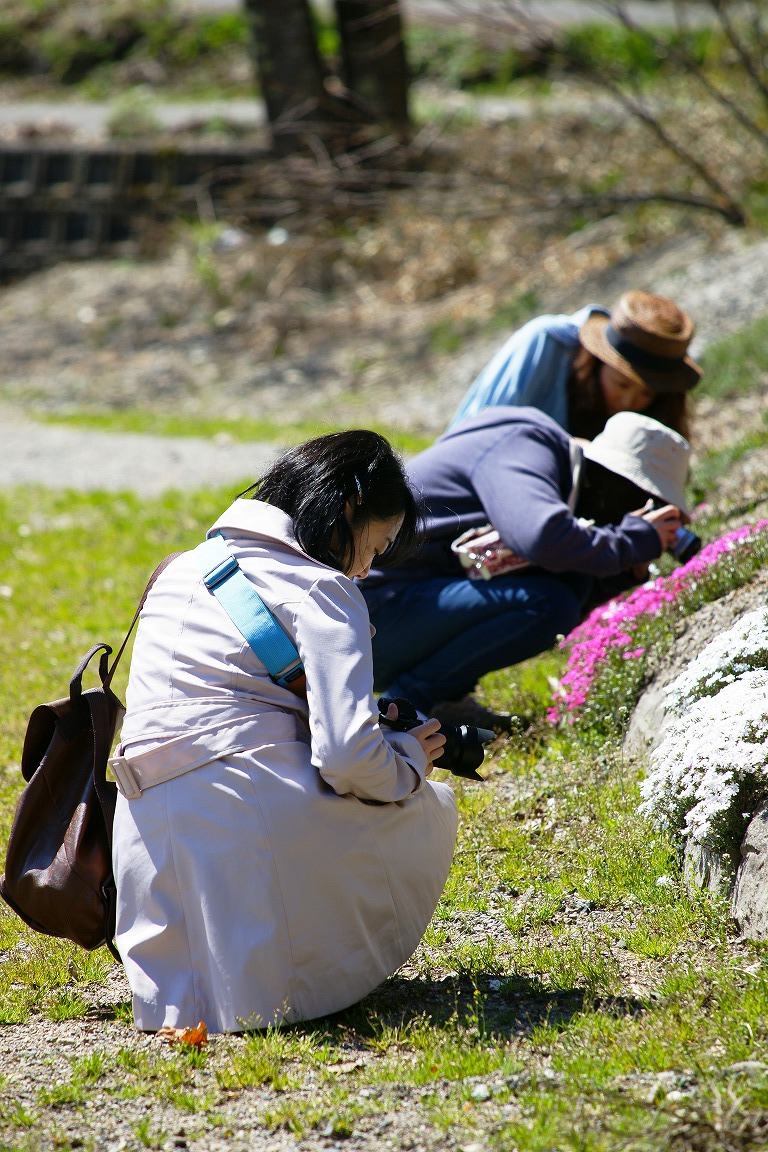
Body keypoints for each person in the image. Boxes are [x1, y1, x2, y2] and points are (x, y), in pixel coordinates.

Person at [110, 430, 458, 1034]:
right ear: (346, 512)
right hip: (247, 814)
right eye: (375, 547)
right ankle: (307, 972)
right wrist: (407, 758)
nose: (369, 568)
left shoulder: (179, 570)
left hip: (142, 839)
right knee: (428, 805)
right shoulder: (321, 588)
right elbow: (348, 756)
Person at [359, 408, 692, 717]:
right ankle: (402, 708)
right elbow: (540, 537)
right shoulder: (526, 445)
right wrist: (628, 542)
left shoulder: (560, 475)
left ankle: (440, 702)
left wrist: (619, 571)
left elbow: (564, 581)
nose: (637, 514)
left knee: (564, 591)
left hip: (390, 617)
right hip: (366, 617)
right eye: (643, 501)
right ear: (615, 481)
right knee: (550, 603)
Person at [447, 290, 702, 441]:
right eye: (621, 384)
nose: (628, 402)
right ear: (598, 361)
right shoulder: (544, 345)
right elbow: (476, 438)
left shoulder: (661, 408)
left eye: (646, 393)